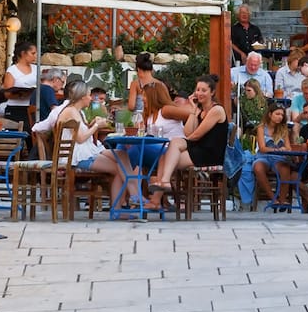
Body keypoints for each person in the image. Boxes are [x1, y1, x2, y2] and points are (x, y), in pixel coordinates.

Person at [51, 80, 155, 214]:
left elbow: (79, 132)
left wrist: (92, 124)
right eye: (89, 95)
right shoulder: (70, 112)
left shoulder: (78, 112)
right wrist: (96, 126)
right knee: (120, 168)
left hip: (87, 150)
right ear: (82, 97)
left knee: (122, 155)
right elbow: (81, 138)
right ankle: (124, 204)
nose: (91, 98)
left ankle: (134, 196)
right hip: (78, 156)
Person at [151, 74, 230, 205]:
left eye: (204, 90)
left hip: (210, 153)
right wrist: (193, 110)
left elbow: (196, 135)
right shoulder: (200, 111)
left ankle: (160, 191)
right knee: (166, 155)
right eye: (197, 90)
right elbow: (187, 131)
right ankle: (161, 188)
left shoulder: (217, 110)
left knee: (170, 154)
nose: (199, 93)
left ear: (212, 92)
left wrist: (184, 143)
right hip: (199, 149)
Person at [251, 103, 298, 210]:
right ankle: (273, 198)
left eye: (282, 115)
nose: (280, 117)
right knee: (258, 168)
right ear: (270, 114)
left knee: (285, 169)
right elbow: (262, 148)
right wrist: (276, 149)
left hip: (279, 158)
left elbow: (288, 147)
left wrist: (282, 150)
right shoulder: (261, 128)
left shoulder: (283, 129)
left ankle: (282, 200)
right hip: (264, 156)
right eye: (277, 114)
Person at [0, 43, 39, 128]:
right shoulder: (12, 70)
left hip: (32, 108)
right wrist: (22, 94)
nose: (35, 56)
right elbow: (7, 93)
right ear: (23, 53)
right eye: (33, 53)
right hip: (15, 108)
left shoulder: (36, 69)